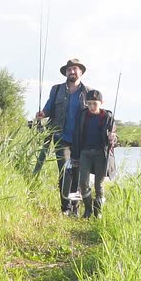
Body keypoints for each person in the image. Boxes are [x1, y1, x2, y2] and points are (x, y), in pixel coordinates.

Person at [35, 58, 92, 216]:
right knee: (64, 172)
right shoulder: (56, 89)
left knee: (78, 174)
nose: (72, 72)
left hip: (81, 140)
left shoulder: (88, 91)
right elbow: (48, 109)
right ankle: (65, 208)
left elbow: (95, 113)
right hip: (60, 137)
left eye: (75, 69)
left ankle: (75, 207)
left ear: (80, 72)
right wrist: (42, 114)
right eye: (69, 69)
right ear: (66, 73)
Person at [71, 90, 117, 219]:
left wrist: (112, 137)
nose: (91, 107)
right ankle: (88, 210)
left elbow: (114, 136)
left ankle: (98, 211)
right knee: (83, 182)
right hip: (85, 153)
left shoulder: (108, 117)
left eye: (94, 104)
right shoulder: (82, 115)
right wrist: (74, 155)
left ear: (101, 103)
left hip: (101, 154)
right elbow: (76, 135)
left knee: (99, 184)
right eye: (89, 103)